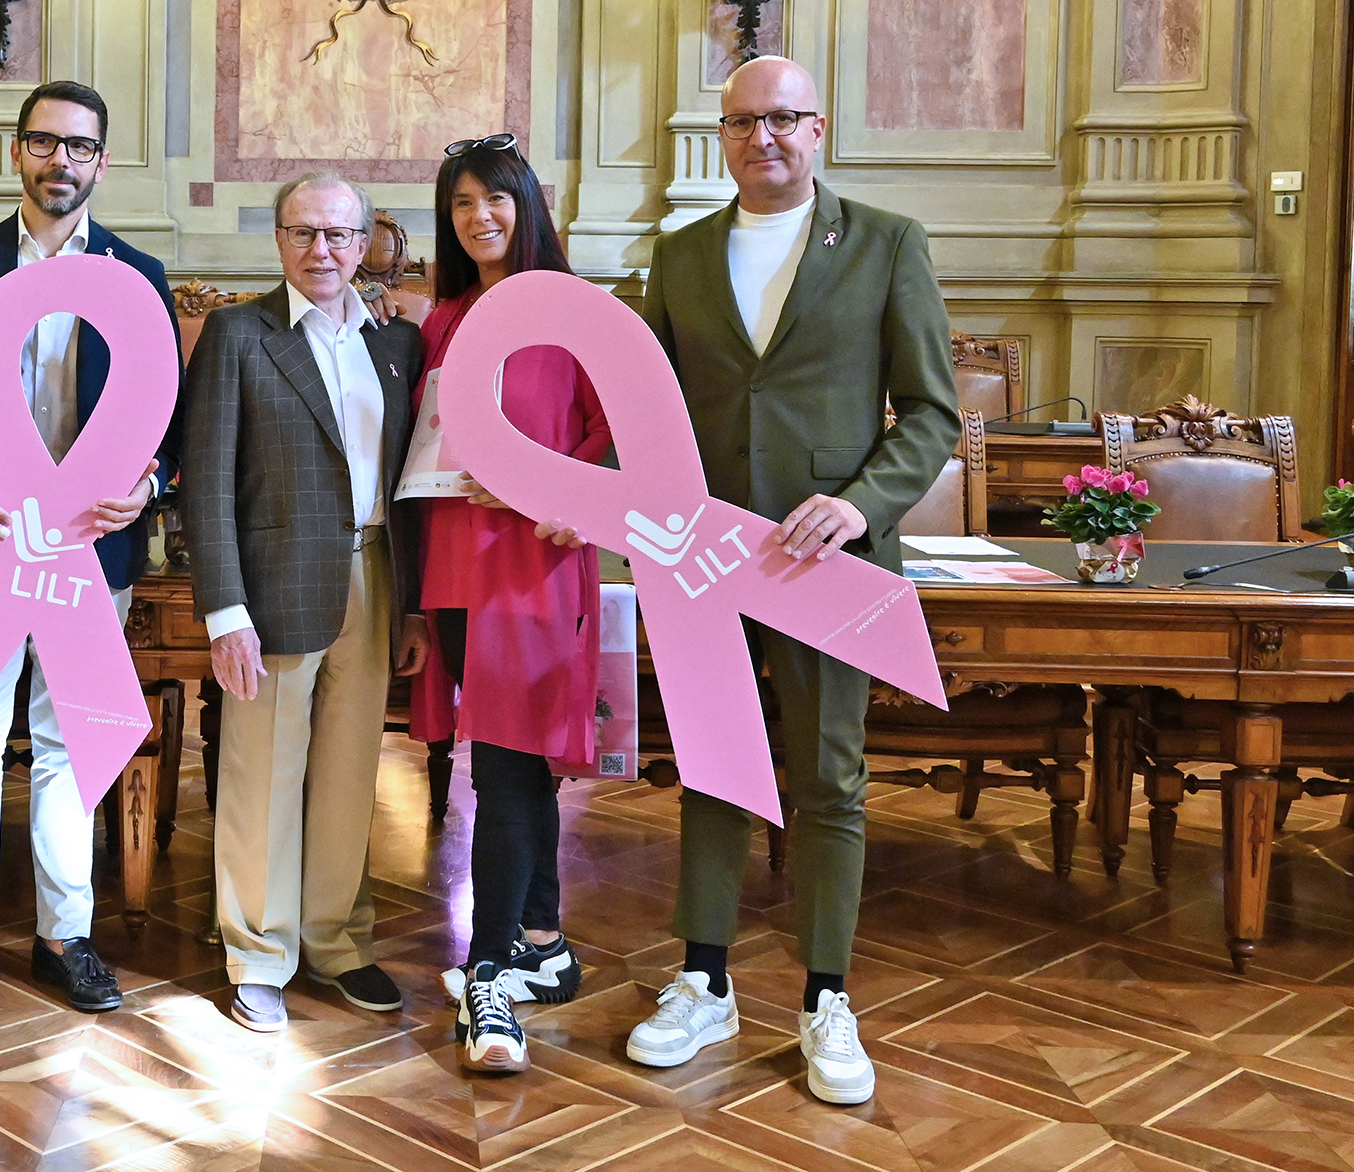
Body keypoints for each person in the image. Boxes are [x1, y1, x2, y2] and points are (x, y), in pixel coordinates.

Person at [627, 56, 956, 1105]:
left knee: (828, 780)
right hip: (709, 560)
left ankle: (825, 997)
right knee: (715, 768)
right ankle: (704, 978)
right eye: (740, 123)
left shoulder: (885, 244)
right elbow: (653, 412)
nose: (761, 138)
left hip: (832, 559)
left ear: (817, 130)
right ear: (720, 138)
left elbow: (932, 412)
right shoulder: (677, 258)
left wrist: (862, 504)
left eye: (782, 120)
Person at [0, 80, 181, 1017]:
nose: (62, 161)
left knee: (69, 744)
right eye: (46, 143)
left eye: (81, 147)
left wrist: (154, 482)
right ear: (18, 151)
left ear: (100, 161)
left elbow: (171, 416)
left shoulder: (137, 275)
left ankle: (66, 936)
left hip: (92, 551)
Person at [183, 172, 424, 1035]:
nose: (320, 250)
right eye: (302, 232)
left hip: (375, 574)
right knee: (262, 773)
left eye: (337, 234)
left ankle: (335, 940)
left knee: (351, 773)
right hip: (272, 584)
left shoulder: (394, 345)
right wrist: (223, 609)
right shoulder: (237, 334)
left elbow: (414, 481)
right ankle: (258, 951)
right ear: (278, 241)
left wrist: (419, 606)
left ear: (365, 246)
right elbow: (205, 481)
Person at [405, 134, 608, 1072]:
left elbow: (620, 447)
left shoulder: (582, 315)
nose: (479, 216)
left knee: (510, 765)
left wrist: (561, 493)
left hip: (533, 564)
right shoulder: (441, 322)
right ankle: (544, 943)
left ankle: (488, 968)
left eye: (495, 198)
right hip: (453, 564)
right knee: (501, 756)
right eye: (460, 204)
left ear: (527, 202)